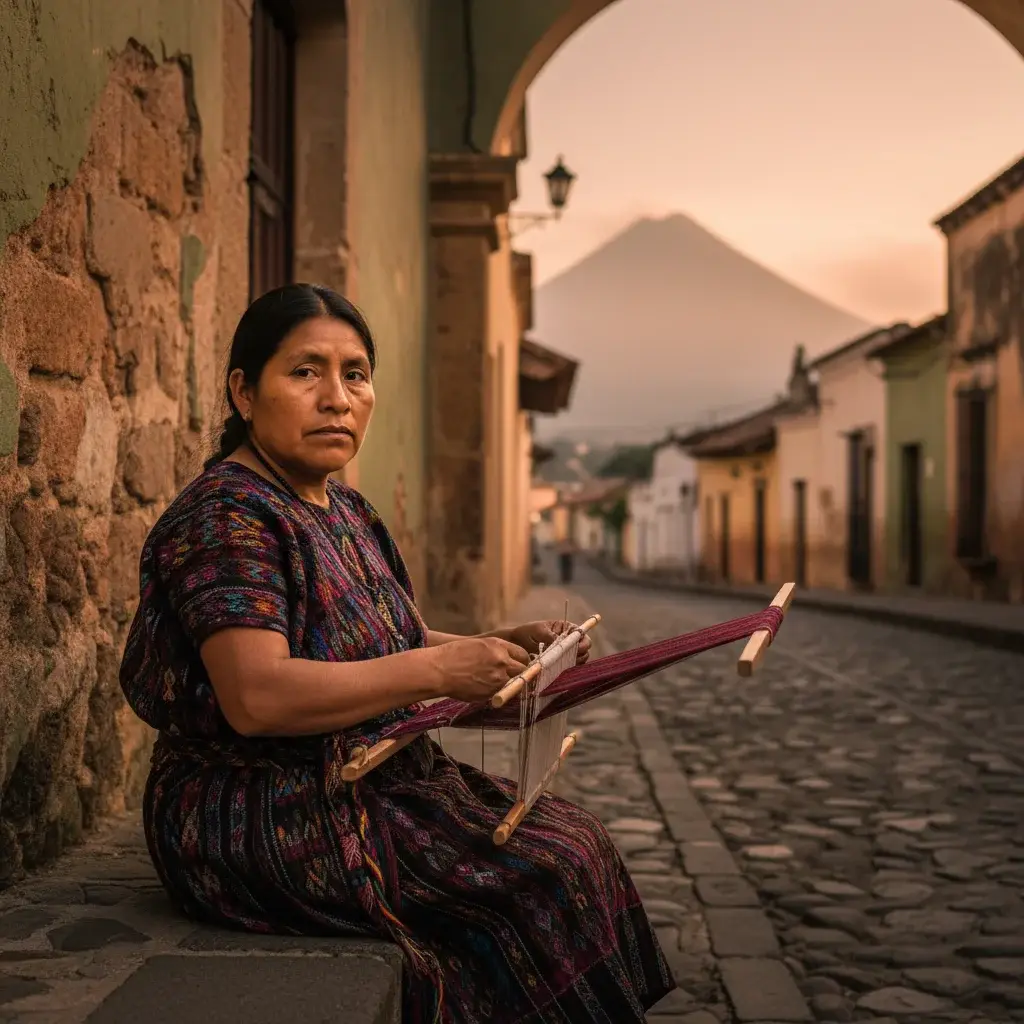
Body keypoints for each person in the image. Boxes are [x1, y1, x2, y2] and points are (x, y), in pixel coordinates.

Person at [119, 284, 674, 1024]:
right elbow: (258, 698)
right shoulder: (228, 519)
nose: (337, 398)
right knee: (538, 880)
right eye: (305, 372)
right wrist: (439, 671)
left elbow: (392, 640)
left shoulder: (344, 508)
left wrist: (493, 647)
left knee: (578, 843)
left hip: (371, 778)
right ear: (244, 393)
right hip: (258, 808)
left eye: (355, 373)